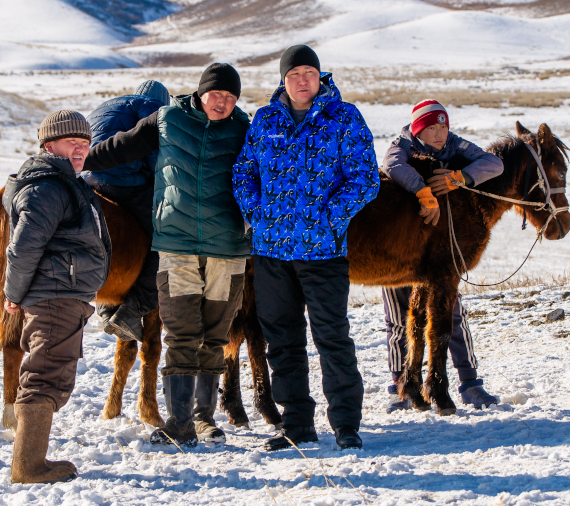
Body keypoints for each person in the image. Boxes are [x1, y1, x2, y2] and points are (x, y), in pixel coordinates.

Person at [83, 63, 251, 447]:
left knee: (214, 335)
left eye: (230, 96)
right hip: (176, 248)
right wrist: (77, 160)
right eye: (216, 94)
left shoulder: (246, 130)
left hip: (226, 250)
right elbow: (120, 147)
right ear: (200, 92)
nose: (222, 102)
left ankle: (204, 419)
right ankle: (179, 422)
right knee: (180, 335)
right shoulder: (168, 119)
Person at [232, 45, 379, 451]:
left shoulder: (343, 117)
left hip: (324, 252)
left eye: (308, 72)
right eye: (293, 73)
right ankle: (296, 423)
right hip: (272, 251)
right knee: (282, 339)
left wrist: (332, 216)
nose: (301, 80)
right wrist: (256, 213)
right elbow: (244, 171)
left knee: (332, 336)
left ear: (320, 77)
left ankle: (346, 423)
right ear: (283, 79)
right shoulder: (265, 119)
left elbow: (365, 178)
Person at [2, 110, 112, 483]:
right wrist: (13, 294)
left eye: (85, 143)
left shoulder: (66, 182)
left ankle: (31, 461)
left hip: (66, 294)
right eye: (72, 143)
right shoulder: (47, 187)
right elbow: (23, 247)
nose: (81, 149)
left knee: (54, 373)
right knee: (45, 375)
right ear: (50, 145)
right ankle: (28, 466)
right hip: (54, 295)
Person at [380, 99, 503, 411]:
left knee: (451, 315)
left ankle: (470, 382)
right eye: (431, 128)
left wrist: (458, 178)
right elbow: (392, 166)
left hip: (437, 248)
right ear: (418, 129)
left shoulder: (454, 146)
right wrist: (422, 190)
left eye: (443, 126)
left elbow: (494, 164)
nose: (438, 133)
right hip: (396, 245)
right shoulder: (402, 144)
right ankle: (402, 386)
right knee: (398, 319)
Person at [83, 80, 170, 343]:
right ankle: (132, 310)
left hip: (86, 179)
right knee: (166, 239)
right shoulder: (153, 108)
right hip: (121, 181)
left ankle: (106, 305)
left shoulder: (108, 105)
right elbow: (155, 155)